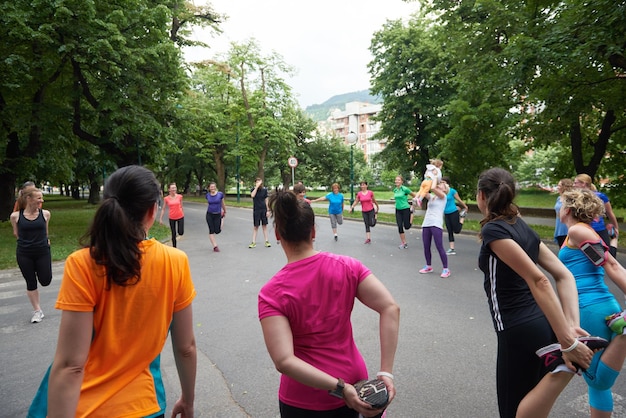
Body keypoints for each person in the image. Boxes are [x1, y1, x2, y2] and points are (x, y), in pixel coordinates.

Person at [28, 165, 197, 417]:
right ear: (152, 211)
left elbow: (71, 365)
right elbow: (186, 347)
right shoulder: (175, 261)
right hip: (144, 405)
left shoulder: (82, 263)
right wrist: (188, 400)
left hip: (86, 407)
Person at [258, 190, 400, 418]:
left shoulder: (271, 293)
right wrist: (386, 372)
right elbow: (390, 308)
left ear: (277, 234)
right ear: (313, 231)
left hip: (303, 398)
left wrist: (340, 389)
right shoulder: (348, 267)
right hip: (357, 382)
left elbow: (284, 361)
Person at [476, 167, 593, 418]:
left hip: (515, 328)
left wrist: (569, 340)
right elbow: (564, 275)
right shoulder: (521, 227)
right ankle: (562, 365)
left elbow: (540, 280)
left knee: (512, 411)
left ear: (481, 196)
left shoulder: (494, 230)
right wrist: (570, 326)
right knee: (533, 404)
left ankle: (563, 363)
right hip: (541, 325)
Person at [555, 188, 626, 418]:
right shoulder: (575, 233)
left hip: (589, 308)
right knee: (596, 384)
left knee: (596, 380)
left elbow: (611, 265)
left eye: (559, 204)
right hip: (601, 306)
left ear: (567, 209)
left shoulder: (577, 231)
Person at [10, 186, 52, 323]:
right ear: (29, 199)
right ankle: (37, 311)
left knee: (45, 280)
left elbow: (45, 232)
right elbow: (16, 234)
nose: (42, 200)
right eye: (39, 198)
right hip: (24, 253)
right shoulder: (15, 216)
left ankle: (38, 269)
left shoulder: (45, 214)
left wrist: (45, 241)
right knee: (31, 282)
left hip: (42, 251)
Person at [573, 173, 619, 256]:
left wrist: (616, 227)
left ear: (583, 183)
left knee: (606, 255)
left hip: (598, 229)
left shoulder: (600, 196)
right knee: (588, 257)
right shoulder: (575, 197)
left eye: (576, 183)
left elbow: (609, 212)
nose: (573, 185)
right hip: (583, 230)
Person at [418, 181, 450, 278]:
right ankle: (428, 266)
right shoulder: (432, 197)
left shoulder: (443, 196)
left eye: (442, 184)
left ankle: (446, 269)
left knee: (439, 246)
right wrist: (425, 181)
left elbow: (432, 188)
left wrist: (434, 178)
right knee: (426, 246)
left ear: (445, 189)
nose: (439, 184)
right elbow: (425, 190)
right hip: (427, 222)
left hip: (436, 223)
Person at [441, 176, 468, 255]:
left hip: (453, 212)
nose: (442, 184)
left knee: (457, 230)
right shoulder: (440, 192)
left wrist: (465, 206)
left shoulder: (452, 191)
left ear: (447, 184)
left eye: (443, 182)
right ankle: (451, 248)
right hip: (446, 213)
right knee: (449, 231)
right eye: (441, 182)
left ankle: (462, 218)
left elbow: (458, 200)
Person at [392, 175, 417, 249]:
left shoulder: (405, 189)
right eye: (396, 180)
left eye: (398, 180)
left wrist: (413, 205)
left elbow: (414, 196)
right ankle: (404, 243)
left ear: (402, 181)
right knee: (399, 226)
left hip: (405, 209)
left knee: (407, 227)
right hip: (398, 210)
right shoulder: (395, 190)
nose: (397, 181)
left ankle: (412, 214)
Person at [159, 182, 184, 248]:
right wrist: (161, 218)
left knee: (181, 232)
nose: (174, 189)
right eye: (172, 188)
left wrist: (182, 213)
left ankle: (179, 233)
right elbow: (163, 209)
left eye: (175, 188)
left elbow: (181, 206)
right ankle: (174, 247)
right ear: (169, 189)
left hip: (180, 216)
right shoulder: (166, 198)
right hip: (172, 217)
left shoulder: (180, 196)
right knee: (173, 233)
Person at [249, 177, 271, 248]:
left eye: (260, 182)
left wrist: (268, 210)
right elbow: (252, 195)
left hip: (263, 209)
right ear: (255, 183)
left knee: (264, 226)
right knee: (256, 226)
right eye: (257, 182)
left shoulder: (264, 190)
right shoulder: (253, 190)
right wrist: (256, 187)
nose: (259, 184)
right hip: (256, 210)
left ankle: (267, 241)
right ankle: (253, 242)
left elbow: (266, 200)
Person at [205, 181, 226, 252]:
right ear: (209, 188)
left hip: (218, 214)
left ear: (215, 187)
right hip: (209, 214)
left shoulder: (220, 194)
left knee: (217, 231)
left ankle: (222, 219)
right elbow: (209, 203)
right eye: (211, 187)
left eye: (214, 187)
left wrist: (224, 210)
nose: (213, 188)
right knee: (211, 230)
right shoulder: (207, 195)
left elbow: (223, 203)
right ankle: (215, 246)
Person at [553, 178, 574, 247]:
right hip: (559, 225)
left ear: (564, 187)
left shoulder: (570, 198)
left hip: (567, 227)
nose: (558, 187)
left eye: (559, 185)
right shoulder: (559, 198)